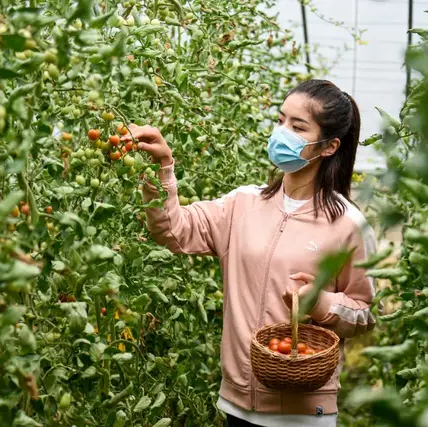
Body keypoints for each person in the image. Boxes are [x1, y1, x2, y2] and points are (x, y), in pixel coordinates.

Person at [121, 79, 378, 427]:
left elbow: (364, 313)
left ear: (329, 146)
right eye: (280, 120)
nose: (282, 132)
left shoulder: (347, 224)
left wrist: (320, 304)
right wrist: (160, 169)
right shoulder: (243, 204)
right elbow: (174, 230)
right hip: (238, 403)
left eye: (297, 126)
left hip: (303, 412)